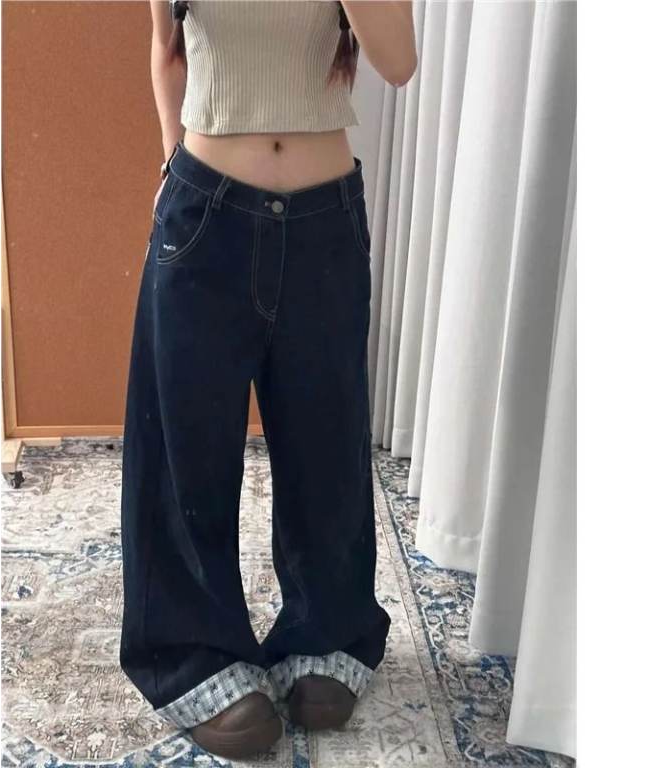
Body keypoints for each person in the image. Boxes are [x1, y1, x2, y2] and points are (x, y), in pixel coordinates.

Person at [120, 0, 417, 759]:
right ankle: (195, 652)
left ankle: (326, 631)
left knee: (327, 438)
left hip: (325, 221)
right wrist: (169, 168)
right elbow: (166, 49)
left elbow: (399, 62)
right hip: (204, 214)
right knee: (185, 445)